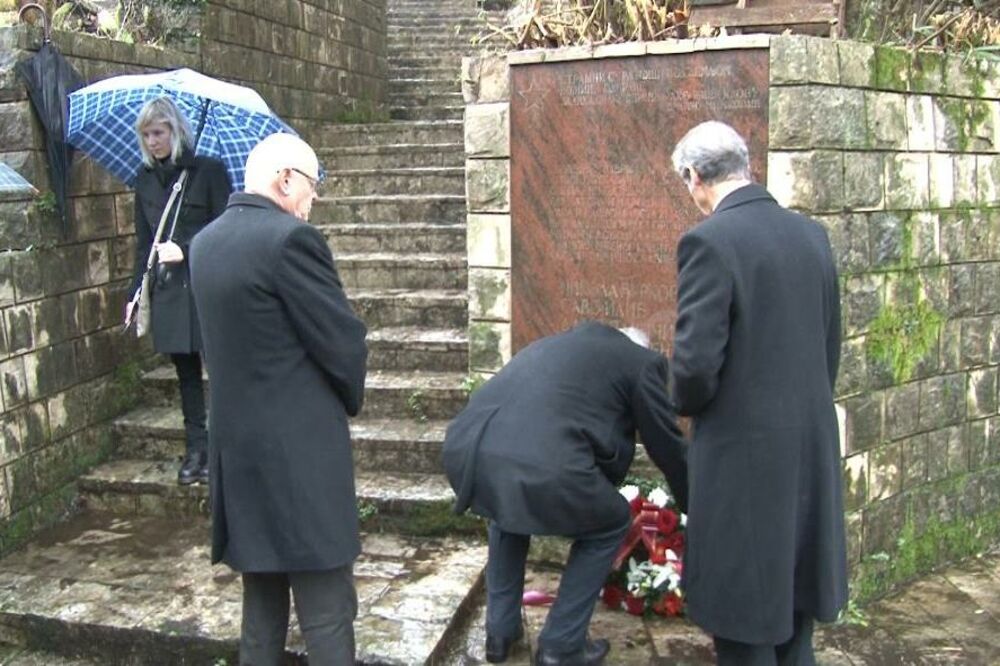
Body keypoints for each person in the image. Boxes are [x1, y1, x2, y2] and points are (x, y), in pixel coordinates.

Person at [669, 121, 846, 665]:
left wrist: (680, 401)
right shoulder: (810, 235)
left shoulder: (709, 241)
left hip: (743, 467)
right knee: (795, 624)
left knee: (745, 632)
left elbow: (695, 369)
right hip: (808, 456)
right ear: (746, 165)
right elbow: (828, 344)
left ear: (694, 177)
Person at [189, 133, 368, 665]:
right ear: (284, 178)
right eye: (313, 186)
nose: (313, 201)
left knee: (261, 613)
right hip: (301, 462)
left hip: (238, 457)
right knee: (328, 614)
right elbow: (341, 344)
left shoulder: (204, 244)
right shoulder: (291, 240)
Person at [442, 321, 688, 666]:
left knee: (505, 513)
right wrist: (695, 505)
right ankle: (562, 644)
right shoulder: (641, 362)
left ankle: (500, 632)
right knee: (612, 520)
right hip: (541, 460)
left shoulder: (553, 345)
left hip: (468, 449)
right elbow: (668, 448)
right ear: (639, 346)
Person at [127, 97, 231, 486]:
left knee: (221, 371)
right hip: (170, 292)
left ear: (176, 131)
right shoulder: (145, 180)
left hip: (207, 287)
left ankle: (225, 451)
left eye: (159, 132)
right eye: (147, 135)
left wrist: (185, 250)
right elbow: (142, 243)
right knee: (186, 376)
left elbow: (225, 229)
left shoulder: (209, 172)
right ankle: (196, 452)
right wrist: (134, 292)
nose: (153, 141)